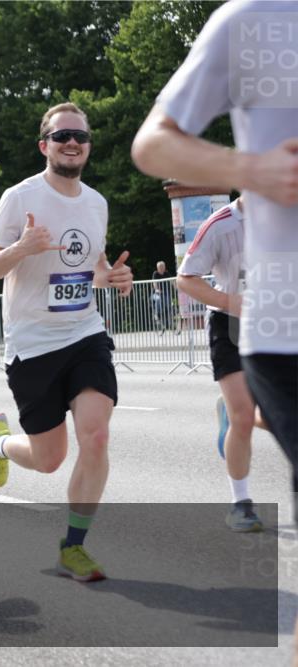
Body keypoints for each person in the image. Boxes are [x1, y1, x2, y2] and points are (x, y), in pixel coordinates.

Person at [131, 0, 298, 520]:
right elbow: (152, 145)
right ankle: (241, 501)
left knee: (248, 414)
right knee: (243, 415)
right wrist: (255, 169)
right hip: (268, 325)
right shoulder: (254, 19)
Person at [0, 102, 133, 582]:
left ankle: (73, 547)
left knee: (96, 435)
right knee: (49, 460)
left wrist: (113, 278)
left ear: (88, 147)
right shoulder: (19, 198)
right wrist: (21, 248)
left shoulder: (96, 203)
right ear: (45, 145)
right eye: (62, 136)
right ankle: (0, 445)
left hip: (84, 333)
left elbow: (92, 269)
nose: (72, 143)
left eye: (80, 136)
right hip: (33, 344)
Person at [177, 196, 271, 531]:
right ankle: (240, 504)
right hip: (230, 325)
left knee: (280, 417)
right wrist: (232, 301)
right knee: (243, 418)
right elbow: (186, 278)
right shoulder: (221, 225)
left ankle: (233, 414)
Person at [151, 260, 174, 334]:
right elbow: (154, 283)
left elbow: (171, 281)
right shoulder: (155, 273)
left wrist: (176, 287)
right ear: (157, 268)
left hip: (165, 293)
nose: (162, 268)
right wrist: (157, 289)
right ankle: (157, 315)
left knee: (169, 303)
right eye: (160, 267)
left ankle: (169, 319)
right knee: (159, 300)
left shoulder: (166, 273)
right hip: (156, 293)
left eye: (163, 267)